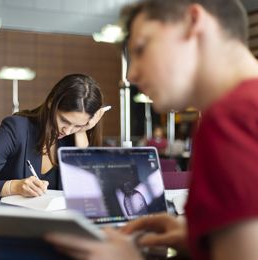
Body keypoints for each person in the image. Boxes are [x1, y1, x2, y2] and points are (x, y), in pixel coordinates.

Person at [45, 0, 258, 260]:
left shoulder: (232, 120)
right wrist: (196, 240)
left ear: (193, 22)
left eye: (141, 49)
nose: (132, 74)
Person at [0, 74, 107, 204]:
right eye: (64, 120)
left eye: (77, 125)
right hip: (13, 224)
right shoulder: (17, 129)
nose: (67, 130)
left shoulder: (72, 140)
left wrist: (82, 133)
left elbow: (87, 198)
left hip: (56, 229)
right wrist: (15, 187)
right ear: (51, 103)